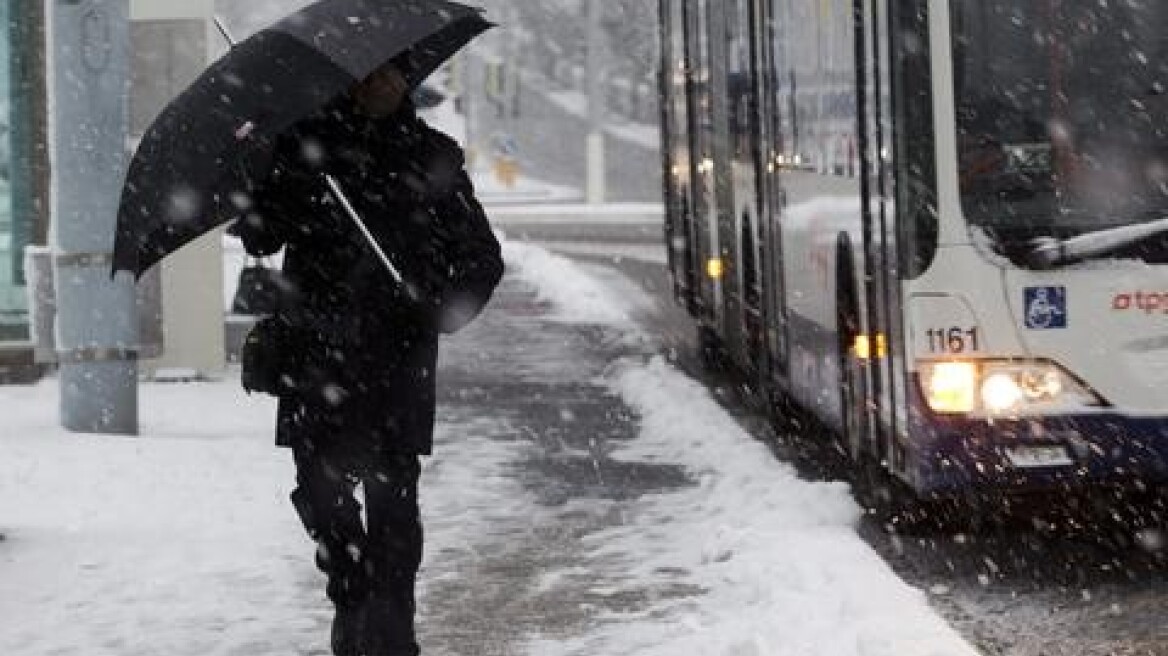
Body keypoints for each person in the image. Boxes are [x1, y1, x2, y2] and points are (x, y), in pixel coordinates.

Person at [230, 59, 504, 656]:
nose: (375, 84)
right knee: (321, 496)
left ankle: (391, 629)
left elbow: (482, 257)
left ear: (408, 81)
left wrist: (436, 305)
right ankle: (350, 589)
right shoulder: (305, 148)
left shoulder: (432, 156)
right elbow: (258, 237)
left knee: (394, 510)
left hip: (397, 359)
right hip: (315, 356)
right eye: (364, 75)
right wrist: (260, 169)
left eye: (388, 74)